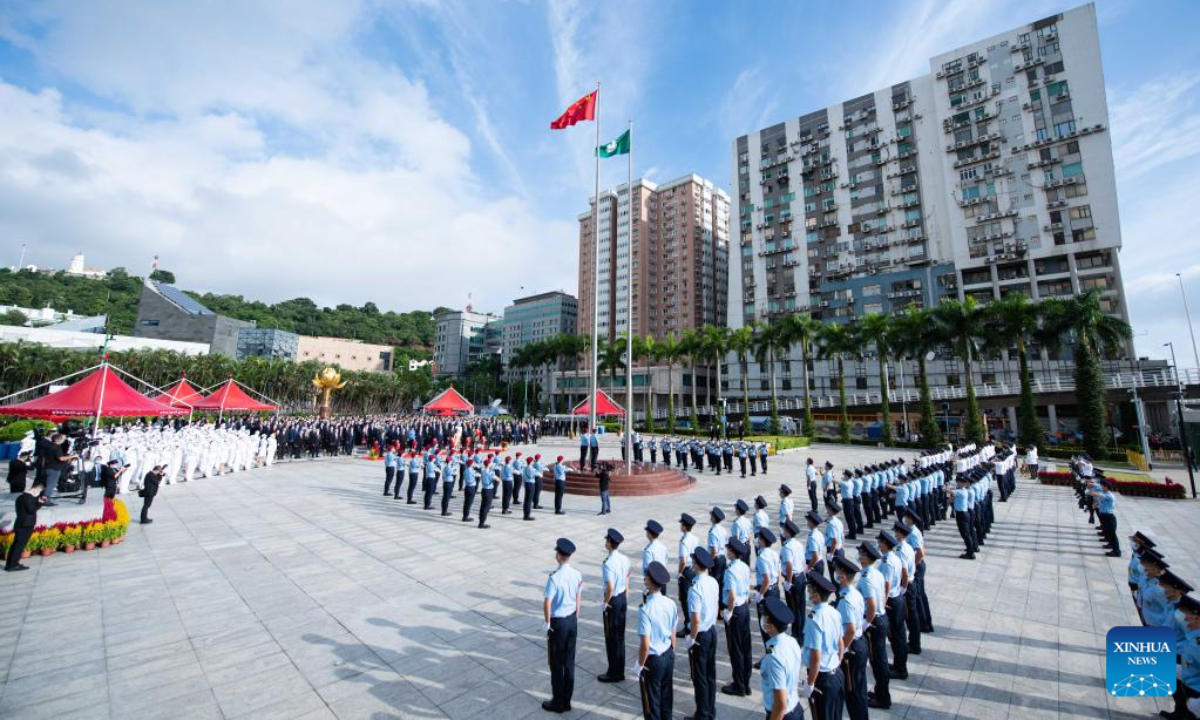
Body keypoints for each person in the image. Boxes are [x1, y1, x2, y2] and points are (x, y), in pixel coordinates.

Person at [634, 561, 679, 720]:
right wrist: (672, 650)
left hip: (654, 659)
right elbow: (673, 630)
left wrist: (640, 664)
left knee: (652, 703)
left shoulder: (645, 610)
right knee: (666, 698)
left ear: (650, 582)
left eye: (646, 578)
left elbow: (645, 645)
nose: (645, 580)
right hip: (668, 654)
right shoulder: (671, 603)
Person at [544, 538, 582, 714]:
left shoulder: (554, 577)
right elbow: (578, 598)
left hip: (558, 623)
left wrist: (547, 624)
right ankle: (567, 700)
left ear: (559, 556)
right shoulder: (577, 574)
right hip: (572, 619)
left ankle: (558, 701)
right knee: (569, 662)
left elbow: (547, 603)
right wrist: (576, 616)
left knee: (557, 663)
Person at [802, 570, 845, 720]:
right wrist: (837, 663)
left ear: (816, 594)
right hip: (836, 673)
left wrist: (810, 682)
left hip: (823, 678)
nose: (808, 592)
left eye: (810, 590)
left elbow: (816, 657)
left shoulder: (815, 618)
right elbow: (841, 643)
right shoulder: (834, 612)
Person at [685, 547, 720, 720]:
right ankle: (710, 710)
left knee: (700, 677)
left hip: (701, 635)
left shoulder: (695, 588)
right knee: (710, 674)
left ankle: (702, 714)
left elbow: (695, 620)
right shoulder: (713, 582)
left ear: (697, 565)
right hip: (712, 631)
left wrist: (691, 638)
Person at [857, 542, 892, 710]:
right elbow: (884, 591)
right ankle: (880, 692)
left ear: (865, 558)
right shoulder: (875, 572)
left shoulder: (866, 579)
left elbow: (870, 606)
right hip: (880, 618)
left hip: (874, 623)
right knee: (880, 660)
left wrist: (865, 624)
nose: (858, 557)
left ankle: (883, 698)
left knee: (878, 662)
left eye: (861, 554)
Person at [834, 556, 868, 720]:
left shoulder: (845, 600)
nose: (835, 573)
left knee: (853, 693)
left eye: (837, 571)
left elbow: (850, 630)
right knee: (858, 689)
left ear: (842, 575)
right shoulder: (853, 593)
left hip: (852, 647)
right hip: (859, 644)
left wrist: (842, 651)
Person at [759, 596, 804, 720]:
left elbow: (780, 703)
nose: (762, 620)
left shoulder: (774, 657)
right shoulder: (791, 641)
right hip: (795, 707)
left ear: (770, 624)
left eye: (765, 617)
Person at [721, 537, 753, 697]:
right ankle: (746, 683)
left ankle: (739, 685)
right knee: (746, 647)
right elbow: (747, 587)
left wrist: (729, 611)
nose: (727, 551)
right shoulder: (744, 566)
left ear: (732, 552)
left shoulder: (730, 571)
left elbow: (731, 596)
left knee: (736, 650)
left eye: (729, 549)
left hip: (736, 611)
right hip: (744, 608)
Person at [599, 529, 630, 684]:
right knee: (620, 637)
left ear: (610, 544)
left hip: (613, 600)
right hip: (622, 597)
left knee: (612, 638)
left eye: (607, 541)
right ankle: (620, 669)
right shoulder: (624, 559)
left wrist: (605, 603)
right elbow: (627, 577)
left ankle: (613, 672)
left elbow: (609, 587)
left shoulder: (608, 563)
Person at [1167, 594, 1200, 719]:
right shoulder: (1193, 636)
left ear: (1197, 618)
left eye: (1185, 613)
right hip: (1189, 687)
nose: (1181, 616)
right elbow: (1190, 665)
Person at [5, 478, 45, 571]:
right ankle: (13, 565)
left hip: (20, 523)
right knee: (19, 546)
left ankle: (11, 564)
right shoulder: (28, 498)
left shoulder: (21, 497)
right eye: (39, 490)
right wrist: (39, 503)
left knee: (16, 545)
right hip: (26, 525)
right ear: (36, 489)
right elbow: (31, 509)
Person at [676, 513, 699, 638]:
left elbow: (683, 561)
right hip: (693, 569)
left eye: (681, 524)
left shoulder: (684, 541)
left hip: (686, 571)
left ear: (684, 527)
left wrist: (679, 573)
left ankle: (688, 626)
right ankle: (691, 623)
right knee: (691, 598)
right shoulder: (695, 539)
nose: (680, 526)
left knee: (685, 600)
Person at [1090, 479, 1121, 557]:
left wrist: (1092, 489)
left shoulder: (1109, 495)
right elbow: (1097, 501)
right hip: (1104, 516)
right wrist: (1095, 504)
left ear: (1106, 487)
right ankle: (1110, 545)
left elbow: (1096, 494)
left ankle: (1117, 552)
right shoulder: (1104, 493)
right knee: (1107, 533)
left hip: (1109, 518)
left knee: (1112, 535)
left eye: (1102, 486)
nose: (1101, 487)